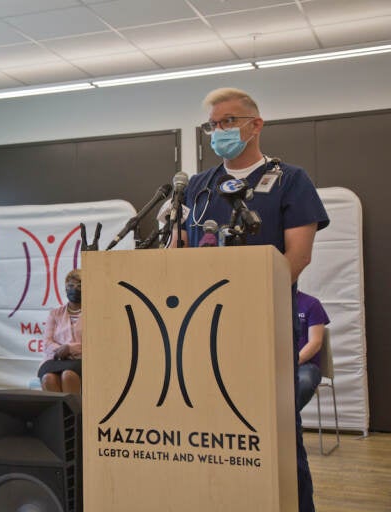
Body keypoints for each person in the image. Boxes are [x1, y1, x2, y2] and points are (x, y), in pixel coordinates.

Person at [182, 88, 329, 512]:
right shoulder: (198, 187)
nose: (219, 131)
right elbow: (178, 253)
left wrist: (248, 302)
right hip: (203, 328)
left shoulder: (289, 180)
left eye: (228, 121)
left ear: (255, 125)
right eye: (213, 125)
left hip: (264, 325)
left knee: (275, 432)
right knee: (213, 433)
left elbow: (297, 256)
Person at [38, 269, 83, 394]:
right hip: (55, 360)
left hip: (82, 360)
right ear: (65, 288)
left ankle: (75, 413)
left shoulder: (94, 313)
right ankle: (60, 413)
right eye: (70, 286)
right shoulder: (55, 313)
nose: (74, 289)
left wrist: (69, 348)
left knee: (68, 376)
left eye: (79, 286)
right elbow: (47, 342)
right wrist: (59, 350)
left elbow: (94, 343)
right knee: (48, 379)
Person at [296, 291, 330, 412]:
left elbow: (315, 343)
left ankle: (285, 418)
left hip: (304, 365)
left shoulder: (311, 303)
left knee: (305, 380)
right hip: (274, 365)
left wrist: (292, 363)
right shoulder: (268, 303)